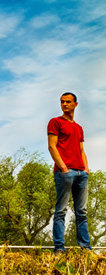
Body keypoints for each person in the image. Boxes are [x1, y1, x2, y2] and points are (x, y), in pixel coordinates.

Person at [47, 92, 91, 253]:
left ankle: (85, 248)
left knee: (82, 212)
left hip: (81, 174)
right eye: (62, 102)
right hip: (64, 173)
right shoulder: (55, 122)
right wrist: (64, 168)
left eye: (68, 102)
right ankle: (59, 248)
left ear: (75, 104)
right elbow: (52, 146)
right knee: (61, 211)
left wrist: (86, 168)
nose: (64, 104)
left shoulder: (78, 128)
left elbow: (81, 149)